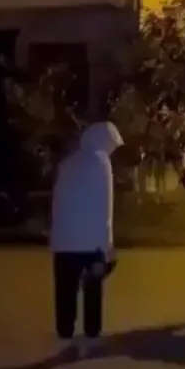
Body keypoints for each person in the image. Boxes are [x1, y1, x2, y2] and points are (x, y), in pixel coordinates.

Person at [50, 121, 124, 355]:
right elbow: (105, 207)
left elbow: (58, 202)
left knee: (65, 287)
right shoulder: (101, 162)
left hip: (63, 240)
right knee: (94, 282)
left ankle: (65, 333)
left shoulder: (68, 163)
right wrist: (107, 244)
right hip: (90, 241)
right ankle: (91, 334)